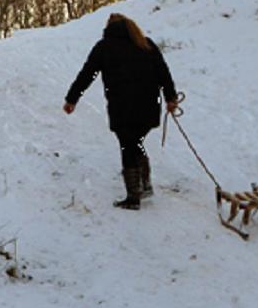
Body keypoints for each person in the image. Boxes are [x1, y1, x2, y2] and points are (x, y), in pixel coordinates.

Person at [63, 13, 179, 211]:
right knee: (135, 142)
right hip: (149, 105)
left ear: (109, 27)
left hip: (122, 107)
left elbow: (87, 74)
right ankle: (145, 184)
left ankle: (134, 197)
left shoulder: (104, 47)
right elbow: (163, 72)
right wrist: (171, 98)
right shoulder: (145, 43)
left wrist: (72, 99)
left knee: (128, 145)